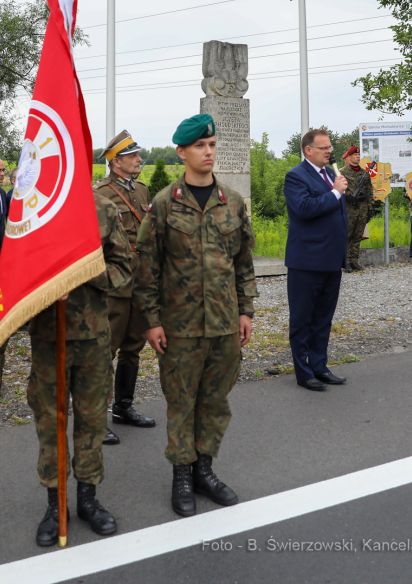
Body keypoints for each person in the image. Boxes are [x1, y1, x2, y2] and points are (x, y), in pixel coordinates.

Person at [134, 114, 257, 518]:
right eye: (200, 146)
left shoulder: (232, 202)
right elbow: (147, 266)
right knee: (182, 402)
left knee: (215, 401)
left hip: (224, 323)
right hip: (180, 326)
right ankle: (182, 476)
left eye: (212, 145)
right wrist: (151, 321)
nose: (208, 152)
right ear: (182, 152)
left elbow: (243, 263)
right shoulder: (165, 202)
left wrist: (246, 311)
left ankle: (205, 469)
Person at [28, 193, 131, 547]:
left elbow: (123, 268)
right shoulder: (32, 207)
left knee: (91, 421)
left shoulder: (102, 208)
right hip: (47, 338)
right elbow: (14, 272)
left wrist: (83, 270)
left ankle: (88, 499)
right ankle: (55, 506)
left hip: (92, 338)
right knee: (50, 423)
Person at [94, 130, 156, 445]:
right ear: (116, 162)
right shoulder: (101, 194)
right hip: (114, 284)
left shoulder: (142, 191)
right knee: (106, 349)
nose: (138, 160)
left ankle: (123, 407)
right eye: (132, 156)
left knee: (133, 346)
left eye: (137, 155)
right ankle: (95, 418)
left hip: (140, 282)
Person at [283, 129, 350, 393]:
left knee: (323, 317)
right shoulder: (296, 176)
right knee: (302, 319)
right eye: (323, 147)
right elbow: (304, 209)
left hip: (331, 261)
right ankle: (303, 372)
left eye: (330, 147)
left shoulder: (331, 174)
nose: (329, 151)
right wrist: (334, 193)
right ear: (308, 150)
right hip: (307, 262)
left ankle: (320, 366)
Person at [338, 145, 373, 271]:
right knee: (347, 235)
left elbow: (369, 191)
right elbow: (337, 190)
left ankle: (354, 261)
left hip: (362, 208)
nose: (357, 157)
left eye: (358, 155)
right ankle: (345, 261)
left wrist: (370, 208)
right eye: (355, 155)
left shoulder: (365, 173)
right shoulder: (343, 172)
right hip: (348, 208)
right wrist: (347, 197)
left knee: (357, 236)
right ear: (349, 157)